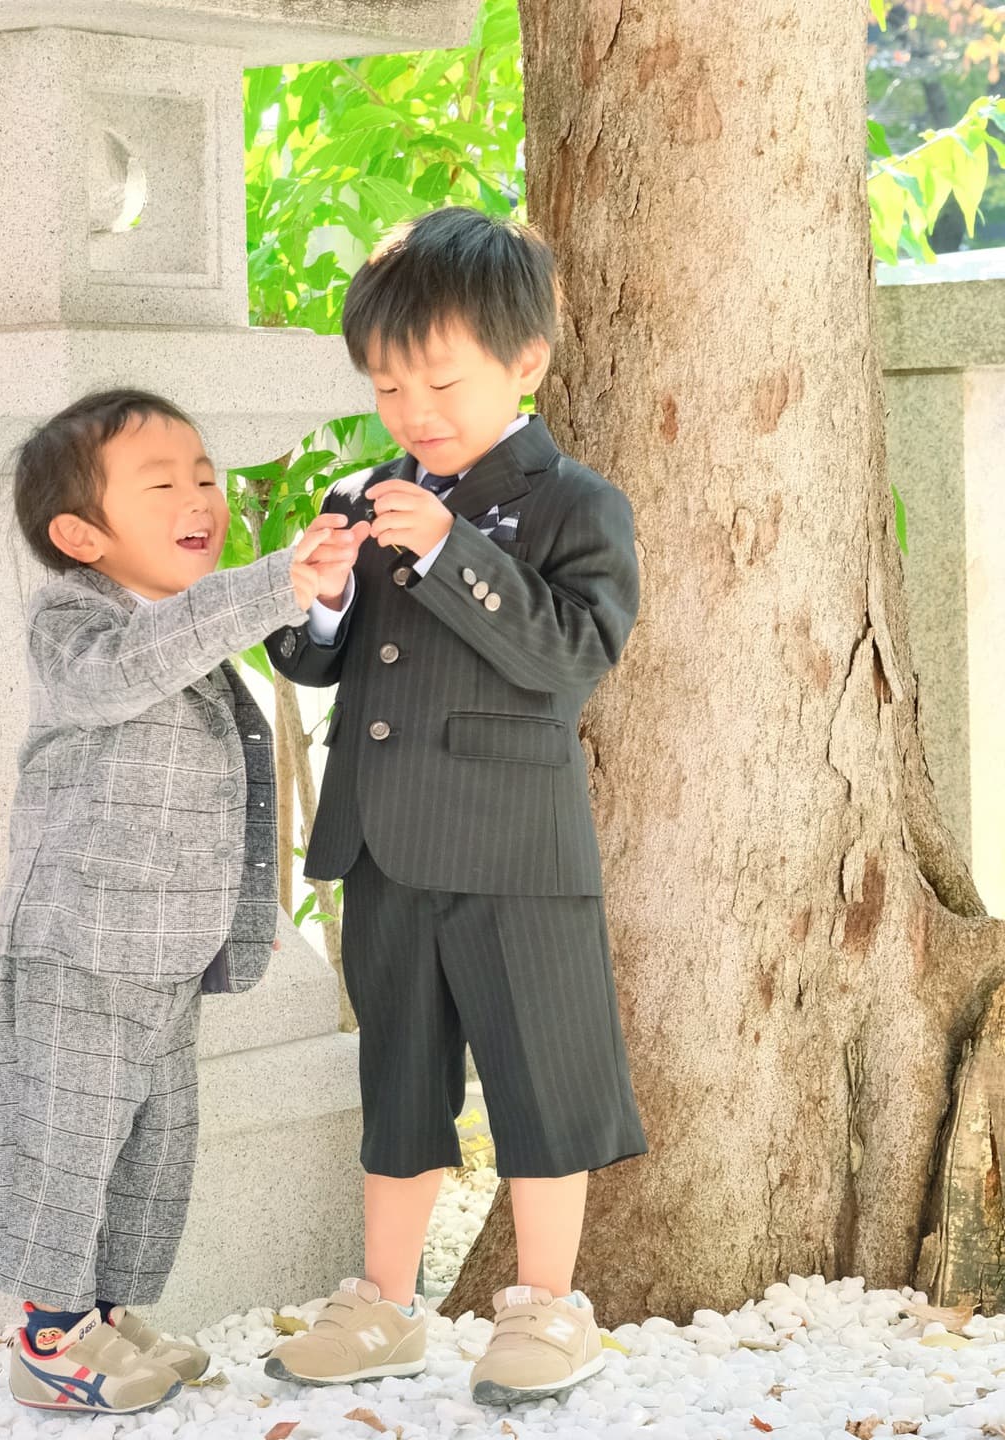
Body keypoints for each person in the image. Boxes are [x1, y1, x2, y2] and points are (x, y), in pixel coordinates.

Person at [265, 206, 648, 1406]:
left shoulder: (576, 504)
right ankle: (384, 1303)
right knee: (398, 1078)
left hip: (517, 853)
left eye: (440, 381)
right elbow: (315, 662)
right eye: (388, 387)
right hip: (384, 843)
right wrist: (321, 596)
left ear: (525, 361)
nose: (413, 411)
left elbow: (571, 658)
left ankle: (547, 1308)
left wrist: (450, 555)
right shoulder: (365, 494)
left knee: (542, 1079)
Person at [0, 388, 365, 1415]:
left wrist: (237, 925)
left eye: (204, 476)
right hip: (79, 942)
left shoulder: (182, 630)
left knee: (151, 1149)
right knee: (67, 1139)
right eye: (162, 485)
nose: (200, 498)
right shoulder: (77, 623)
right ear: (80, 536)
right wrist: (274, 584)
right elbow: (122, 677)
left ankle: (104, 1313)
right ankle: (47, 1338)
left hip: (163, 952)